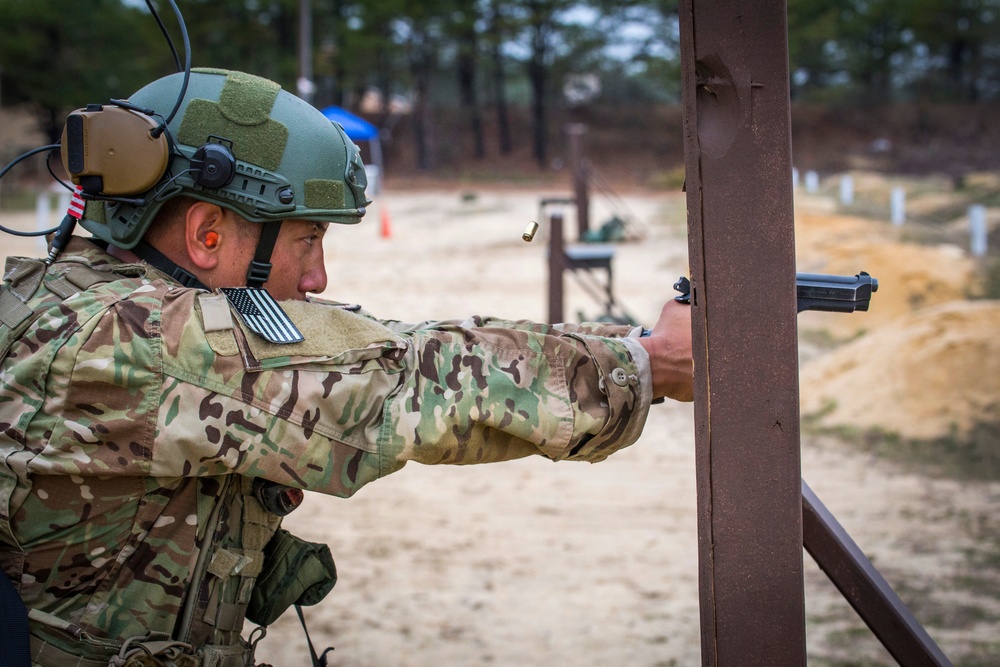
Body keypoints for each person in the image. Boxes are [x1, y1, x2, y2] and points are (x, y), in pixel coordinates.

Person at [0, 68, 693, 667]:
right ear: (206, 234)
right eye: (308, 238)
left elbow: (376, 339)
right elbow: (408, 382)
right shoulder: (140, 341)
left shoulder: (72, 302)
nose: (320, 276)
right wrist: (648, 364)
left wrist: (632, 341)